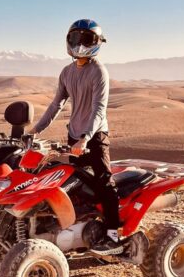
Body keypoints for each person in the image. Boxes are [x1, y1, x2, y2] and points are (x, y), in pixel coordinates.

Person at [28, 19, 122, 255]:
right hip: (74, 136)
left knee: (104, 182)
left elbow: (99, 109)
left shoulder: (99, 72)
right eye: (76, 38)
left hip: (95, 135)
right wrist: (36, 129)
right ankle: (81, 231)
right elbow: (56, 104)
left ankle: (113, 234)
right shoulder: (66, 72)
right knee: (74, 185)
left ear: (97, 43)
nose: (80, 44)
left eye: (86, 39)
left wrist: (86, 138)